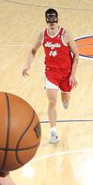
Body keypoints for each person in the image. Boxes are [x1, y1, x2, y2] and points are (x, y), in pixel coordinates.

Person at [22, 8, 79, 145]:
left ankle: (66, 100)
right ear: (46, 21)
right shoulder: (42, 35)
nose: (52, 23)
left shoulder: (66, 34)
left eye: (54, 20)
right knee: (52, 101)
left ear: (57, 20)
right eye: (49, 20)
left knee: (65, 100)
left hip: (66, 73)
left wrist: (73, 75)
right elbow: (33, 50)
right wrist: (27, 64)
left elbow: (76, 55)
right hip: (51, 72)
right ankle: (53, 132)